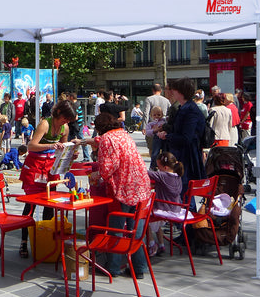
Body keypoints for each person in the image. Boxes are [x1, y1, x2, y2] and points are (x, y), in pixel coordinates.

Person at [89, 112, 151, 279]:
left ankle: (114, 267)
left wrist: (99, 174)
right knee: (135, 232)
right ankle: (139, 268)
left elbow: (108, 166)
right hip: (140, 185)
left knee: (115, 227)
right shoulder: (123, 135)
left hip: (123, 188)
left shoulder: (107, 139)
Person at [18, 99, 77, 259]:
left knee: (50, 204)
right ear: (59, 113)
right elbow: (31, 146)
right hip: (36, 167)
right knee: (30, 206)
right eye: (65, 118)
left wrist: (70, 154)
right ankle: (24, 240)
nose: (66, 122)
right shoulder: (45, 124)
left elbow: (62, 150)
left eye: (68, 120)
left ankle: (47, 241)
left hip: (51, 168)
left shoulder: (65, 127)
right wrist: (50, 146)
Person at [157, 77, 206, 197]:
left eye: (173, 89)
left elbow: (186, 138)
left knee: (184, 191)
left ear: (180, 92)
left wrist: (168, 136)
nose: (171, 92)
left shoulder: (190, 110)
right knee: (184, 192)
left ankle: (186, 212)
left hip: (186, 157)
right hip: (182, 154)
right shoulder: (184, 108)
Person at [147, 151, 184, 257]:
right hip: (176, 208)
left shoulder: (163, 176)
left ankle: (151, 244)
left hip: (164, 208)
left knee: (144, 219)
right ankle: (161, 244)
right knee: (157, 223)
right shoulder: (177, 176)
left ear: (166, 167)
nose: (157, 169)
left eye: (159, 167)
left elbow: (146, 173)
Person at [142, 83, 170, 156]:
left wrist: (144, 127)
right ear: (161, 90)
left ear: (153, 90)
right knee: (163, 148)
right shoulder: (166, 100)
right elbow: (169, 114)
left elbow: (146, 113)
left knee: (152, 148)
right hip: (163, 127)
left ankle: (154, 164)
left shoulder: (149, 99)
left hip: (152, 127)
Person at [68, 92, 91, 162]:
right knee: (71, 141)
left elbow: (76, 117)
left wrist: (68, 120)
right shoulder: (78, 103)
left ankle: (86, 157)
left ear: (71, 97)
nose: (68, 98)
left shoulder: (74, 105)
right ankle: (69, 156)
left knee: (81, 141)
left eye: (68, 97)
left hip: (76, 126)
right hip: (78, 125)